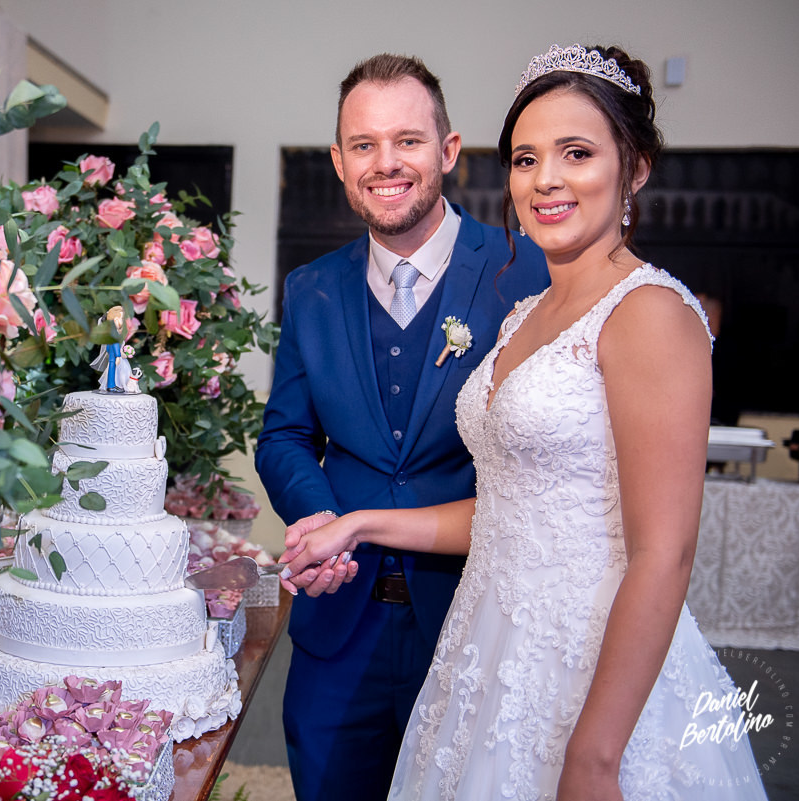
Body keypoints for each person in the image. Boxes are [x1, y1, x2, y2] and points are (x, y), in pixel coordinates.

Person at [278, 44, 768, 800]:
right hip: (482, 650)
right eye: (526, 157)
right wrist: (356, 523)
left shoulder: (648, 312)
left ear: (633, 166)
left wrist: (596, 756)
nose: (546, 179)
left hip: (584, 658)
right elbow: (511, 510)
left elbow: (663, 553)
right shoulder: (523, 313)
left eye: (577, 152)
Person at [254, 54, 549, 801]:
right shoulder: (310, 288)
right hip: (337, 628)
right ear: (339, 161)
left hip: (475, 615)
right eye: (364, 144)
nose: (386, 163)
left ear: (448, 151)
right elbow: (285, 434)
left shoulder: (526, 273)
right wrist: (319, 513)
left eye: (408, 141)